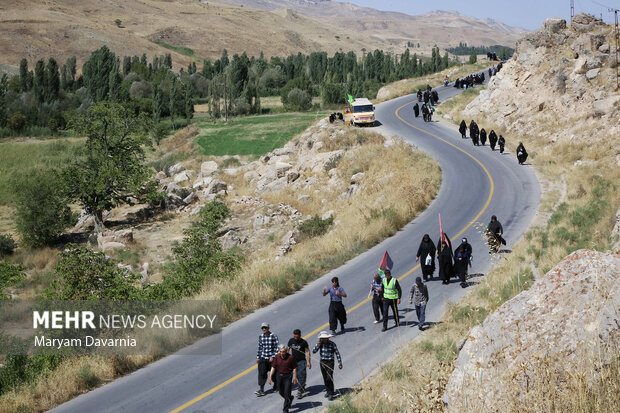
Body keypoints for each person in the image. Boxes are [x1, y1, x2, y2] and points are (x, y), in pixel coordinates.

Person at [312, 331, 342, 401]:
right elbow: (314, 351)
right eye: (322, 338)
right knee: (325, 377)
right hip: (322, 362)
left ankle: (331, 393)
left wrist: (340, 363)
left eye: (325, 338)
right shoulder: (320, 344)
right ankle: (328, 391)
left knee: (329, 377)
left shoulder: (332, 344)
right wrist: (318, 345)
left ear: (328, 338)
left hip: (330, 362)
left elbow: (337, 353)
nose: (324, 339)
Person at [269, 344, 298, 413]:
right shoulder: (277, 357)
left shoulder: (290, 357)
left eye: (284, 351)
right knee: (281, 392)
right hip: (279, 376)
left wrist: (295, 378)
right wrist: (270, 376)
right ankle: (290, 398)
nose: (282, 353)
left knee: (287, 392)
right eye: (281, 351)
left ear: (286, 351)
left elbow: (294, 368)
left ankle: (285, 409)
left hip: (287, 377)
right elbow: (273, 367)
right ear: (279, 351)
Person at [255, 322, 279, 397]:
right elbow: (260, 347)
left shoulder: (273, 336)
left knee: (274, 374)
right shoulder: (261, 336)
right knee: (262, 373)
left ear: (268, 328)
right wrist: (258, 357)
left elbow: (276, 347)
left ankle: (276, 385)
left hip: (271, 359)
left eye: (265, 327)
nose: (264, 329)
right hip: (263, 358)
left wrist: (273, 356)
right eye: (263, 328)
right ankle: (261, 389)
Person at [288, 329, 311, 399]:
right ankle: (302, 387)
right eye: (294, 336)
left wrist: (309, 362)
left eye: (297, 336)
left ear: (300, 335)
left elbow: (308, 351)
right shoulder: (291, 341)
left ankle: (300, 391)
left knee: (301, 375)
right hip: (293, 362)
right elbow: (288, 350)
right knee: (296, 375)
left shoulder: (303, 342)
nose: (295, 337)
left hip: (301, 361)